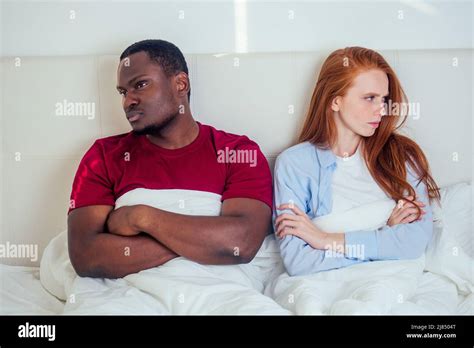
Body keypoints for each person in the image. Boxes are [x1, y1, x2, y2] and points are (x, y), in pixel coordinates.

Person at [66, 39, 287, 314]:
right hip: (129, 298)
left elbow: (239, 244)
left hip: (222, 296)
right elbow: (86, 255)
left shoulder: (238, 152)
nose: (128, 101)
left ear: (180, 84)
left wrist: (141, 217)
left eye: (141, 84)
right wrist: (202, 240)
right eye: (123, 91)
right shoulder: (104, 155)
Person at [273, 46, 441, 276]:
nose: (381, 110)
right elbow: (300, 261)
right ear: (335, 101)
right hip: (327, 285)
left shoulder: (402, 156)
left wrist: (324, 239)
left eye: (383, 99)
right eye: (369, 98)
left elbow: (413, 243)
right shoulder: (294, 164)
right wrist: (384, 237)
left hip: (392, 279)